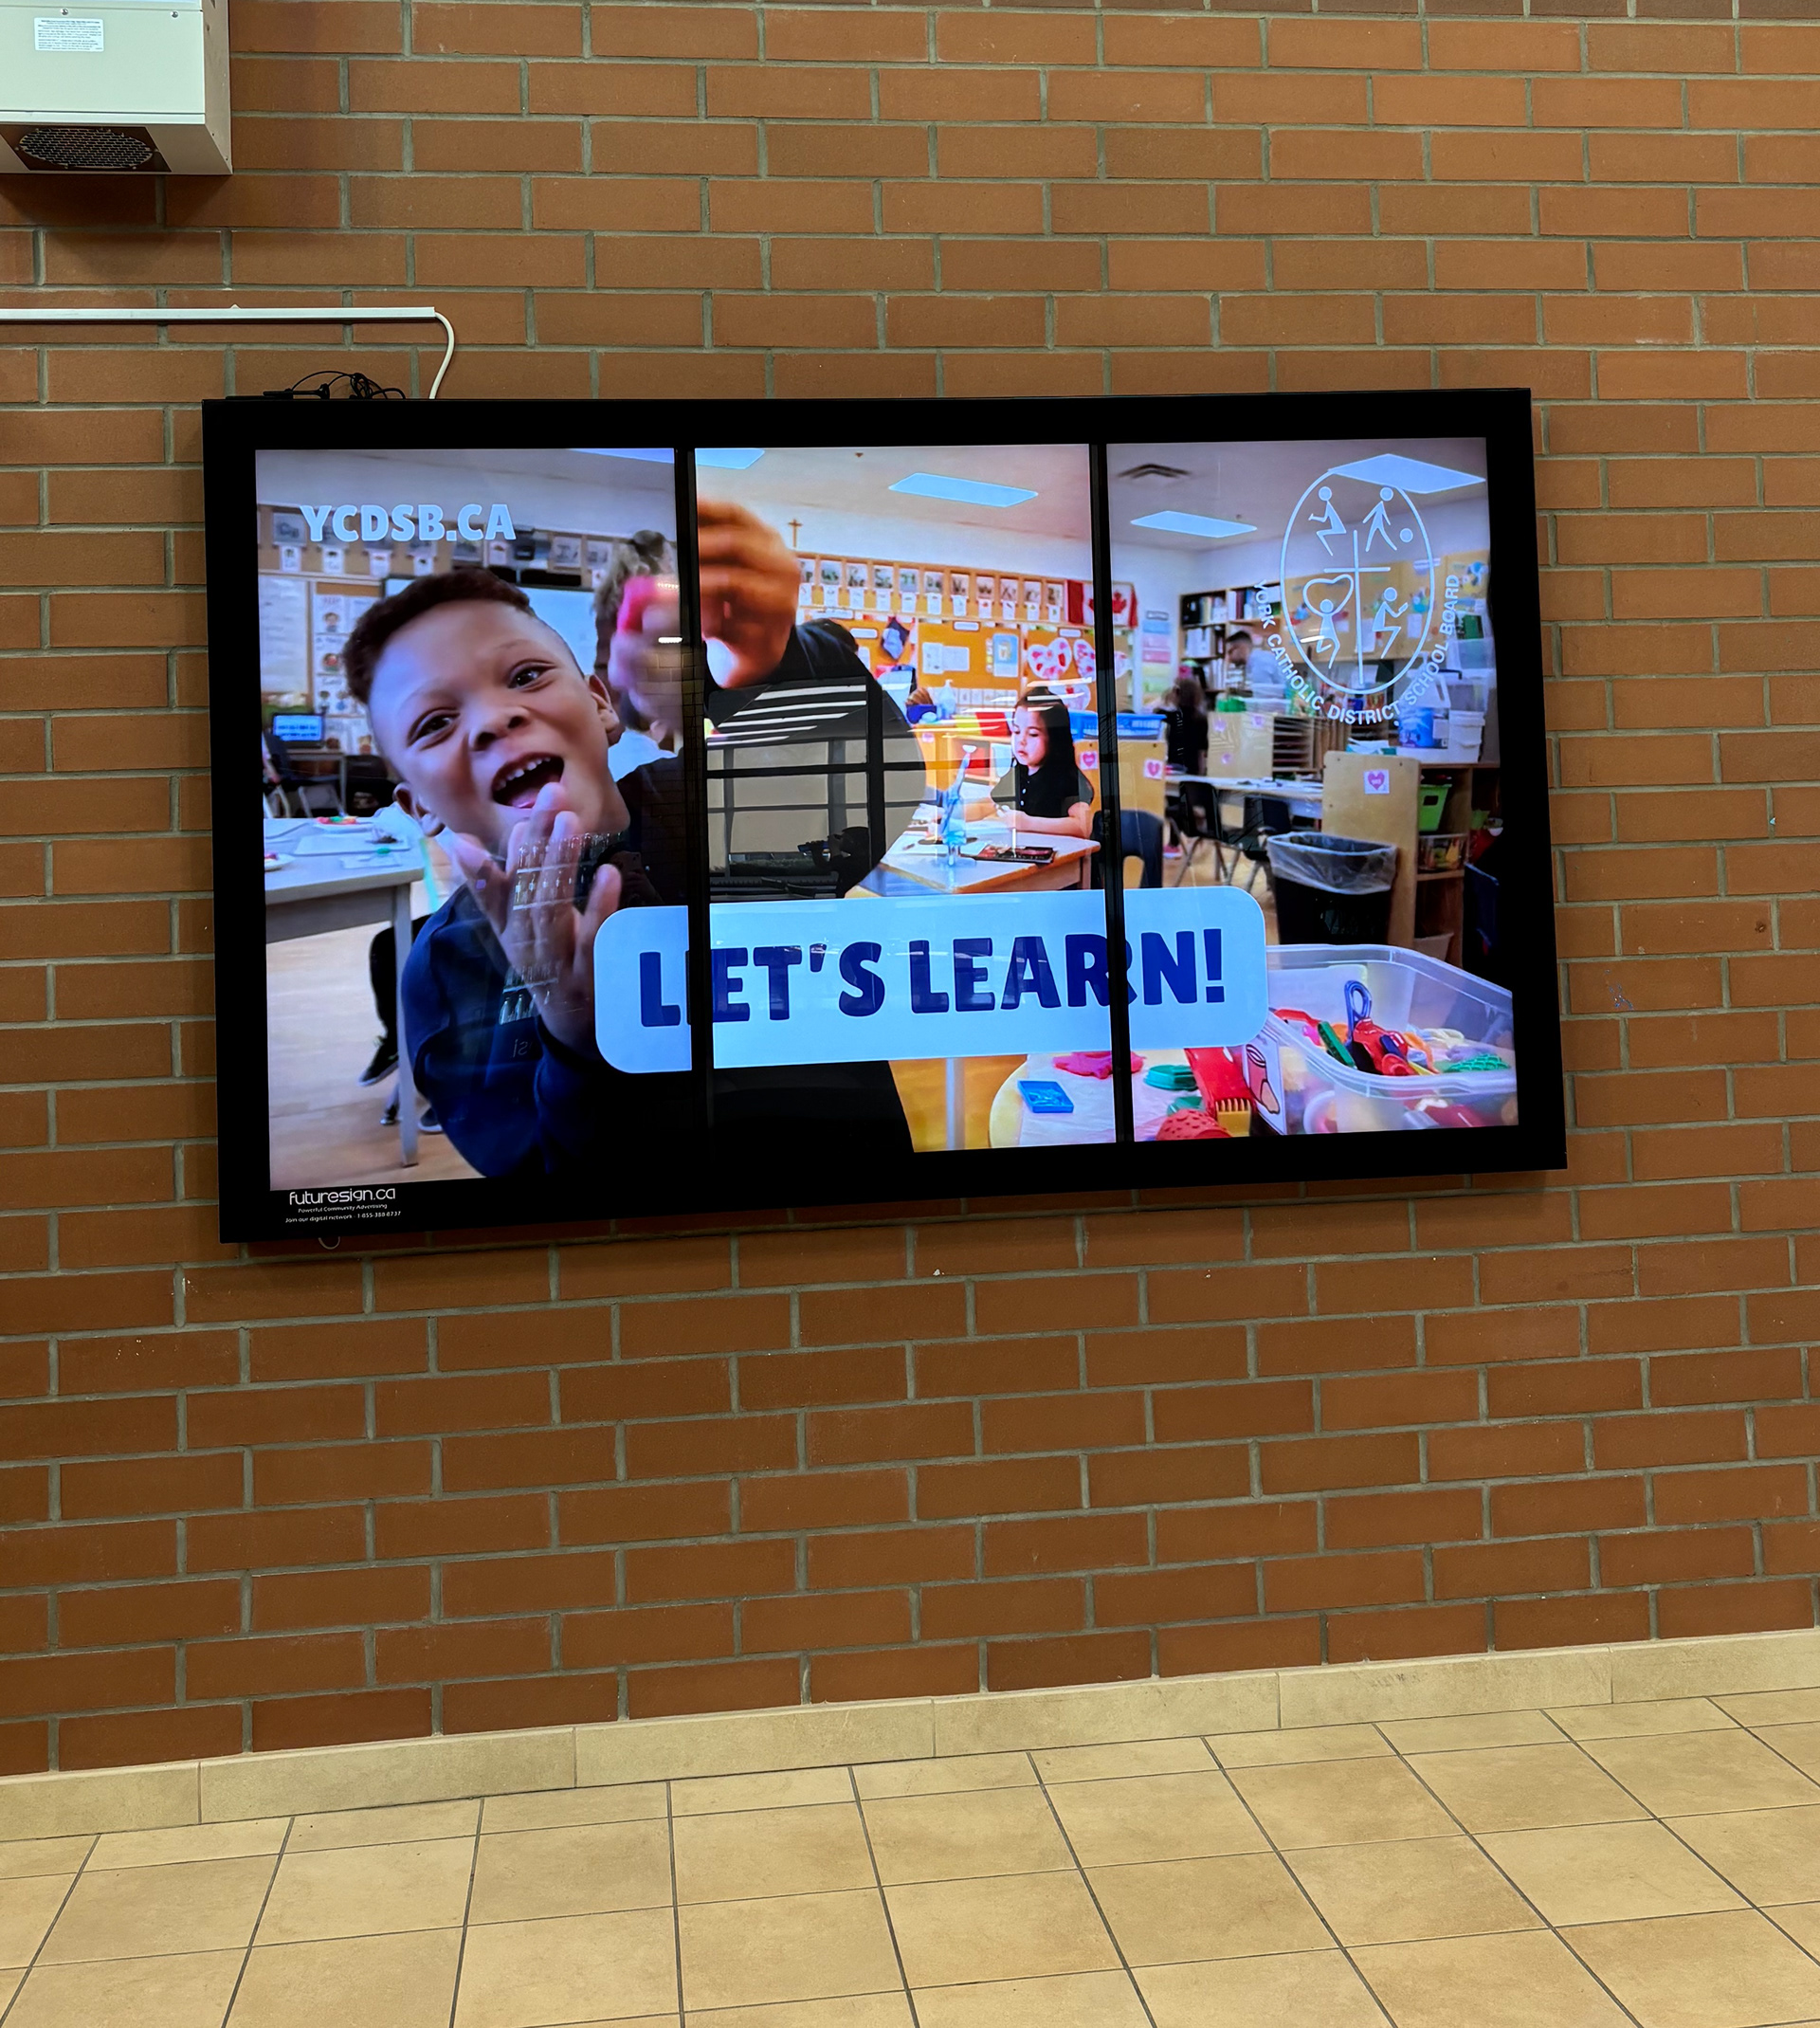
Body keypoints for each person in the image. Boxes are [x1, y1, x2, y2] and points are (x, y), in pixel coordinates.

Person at [341, 500, 909, 1182]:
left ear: (601, 704)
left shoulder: (708, 805)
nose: (494, 718)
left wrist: (776, 660)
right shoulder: (449, 970)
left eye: (524, 676)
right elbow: (539, 1183)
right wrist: (577, 1047)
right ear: (418, 806)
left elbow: (877, 783)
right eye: (434, 722)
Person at [964, 691, 1094, 839]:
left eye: (1032, 734)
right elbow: (986, 806)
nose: (1021, 740)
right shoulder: (1019, 773)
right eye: (1017, 731)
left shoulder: (1066, 778)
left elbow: (1083, 826)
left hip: (1056, 852)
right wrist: (951, 815)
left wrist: (1027, 823)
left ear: (1054, 738)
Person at [1163, 672, 1207, 776]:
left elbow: (1152, 708)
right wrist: (1201, 774)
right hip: (1193, 769)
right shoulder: (1201, 719)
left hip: (1174, 768)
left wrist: (1166, 698)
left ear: (1177, 694)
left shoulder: (1169, 716)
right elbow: (1201, 752)